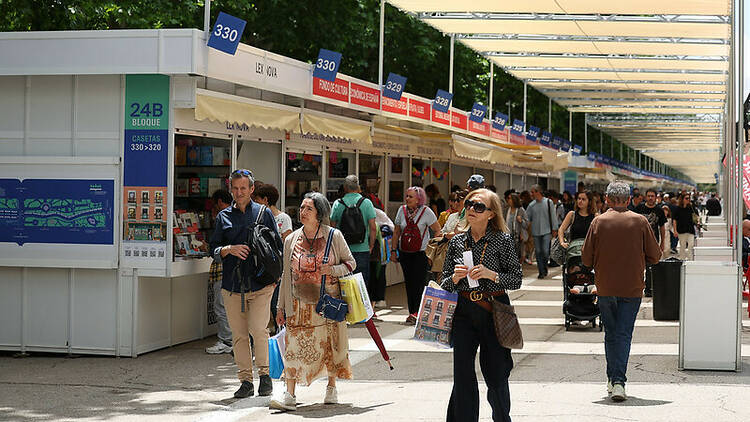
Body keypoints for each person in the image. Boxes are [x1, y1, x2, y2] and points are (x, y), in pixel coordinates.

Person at [441, 188, 523, 422]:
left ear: (490, 214)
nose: (471, 210)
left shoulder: (502, 240)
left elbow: (516, 279)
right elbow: (444, 283)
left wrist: (491, 274)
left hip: (494, 311)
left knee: (496, 373)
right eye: (469, 204)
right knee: (463, 375)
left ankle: (501, 417)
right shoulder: (457, 241)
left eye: (478, 207)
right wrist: (455, 278)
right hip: (464, 313)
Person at [271, 192, 355, 411]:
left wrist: (332, 269)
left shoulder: (333, 236)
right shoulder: (291, 239)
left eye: (308, 208)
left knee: (329, 347)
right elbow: (286, 275)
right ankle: (289, 395)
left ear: (320, 213)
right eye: (301, 207)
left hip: (326, 304)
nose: (303, 212)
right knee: (293, 349)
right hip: (298, 305)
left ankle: (331, 387)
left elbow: (350, 264)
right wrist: (280, 306)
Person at [581, 180, 661, 402]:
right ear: (628, 200)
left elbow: (586, 259)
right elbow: (655, 256)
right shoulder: (641, 221)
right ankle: (618, 381)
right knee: (624, 334)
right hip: (632, 287)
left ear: (607, 199)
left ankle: (612, 377)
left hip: (605, 287)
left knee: (611, 333)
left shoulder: (597, 222)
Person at [209, 169, 282, 398]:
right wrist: (228, 250)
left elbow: (277, 246)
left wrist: (275, 278)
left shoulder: (264, 213)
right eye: (235, 188)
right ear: (231, 189)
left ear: (252, 189)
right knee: (239, 336)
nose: (239, 193)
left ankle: (265, 376)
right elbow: (214, 249)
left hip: (261, 285)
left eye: (243, 188)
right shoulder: (223, 217)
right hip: (232, 286)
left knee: (258, 330)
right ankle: (245, 381)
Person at [392, 186, 441, 325]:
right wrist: (393, 250)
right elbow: (396, 232)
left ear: (419, 199)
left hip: (421, 253)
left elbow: (437, 230)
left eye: (410, 197)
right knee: (409, 283)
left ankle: (417, 313)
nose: (407, 199)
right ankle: (412, 312)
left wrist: (433, 250)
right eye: (407, 196)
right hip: (405, 252)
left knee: (419, 283)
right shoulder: (401, 211)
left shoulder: (427, 212)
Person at [330, 175, 377, 292]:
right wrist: (371, 245)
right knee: (361, 285)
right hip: (362, 249)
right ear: (358, 187)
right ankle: (361, 309)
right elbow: (373, 228)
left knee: (344, 283)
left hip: (343, 250)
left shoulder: (338, 203)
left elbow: (332, 227)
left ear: (345, 188)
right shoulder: (366, 203)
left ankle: (346, 309)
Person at [205, 189, 234, 355]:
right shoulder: (235, 216)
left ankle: (226, 340)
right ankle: (230, 339)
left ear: (220, 202)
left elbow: (216, 247)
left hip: (221, 269)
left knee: (221, 306)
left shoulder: (223, 218)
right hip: (230, 270)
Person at [557, 191, 597, 294]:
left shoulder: (595, 216)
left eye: (583, 199)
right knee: (575, 265)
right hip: (574, 250)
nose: (580, 201)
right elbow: (561, 229)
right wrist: (562, 242)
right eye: (579, 198)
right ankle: (578, 286)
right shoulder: (572, 215)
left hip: (590, 250)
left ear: (589, 202)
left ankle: (589, 285)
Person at [634, 188, 667, 296]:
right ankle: (637, 287)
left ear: (656, 197)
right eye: (648, 196)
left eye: (652, 196)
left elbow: (662, 227)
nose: (650, 198)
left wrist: (662, 243)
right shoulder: (639, 208)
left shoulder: (659, 210)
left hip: (653, 242)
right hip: (638, 242)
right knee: (638, 266)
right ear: (645, 197)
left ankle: (648, 289)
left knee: (650, 267)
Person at [526, 184, 559, 278]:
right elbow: (527, 218)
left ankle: (544, 267)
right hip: (536, 232)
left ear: (538, 192)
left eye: (532, 192)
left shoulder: (548, 202)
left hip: (547, 231)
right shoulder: (531, 205)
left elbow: (553, 216)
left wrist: (554, 228)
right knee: (538, 252)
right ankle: (541, 271)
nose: (531, 194)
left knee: (545, 251)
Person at [672, 193, 698, 260]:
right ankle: (682, 259)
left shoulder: (691, 208)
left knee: (691, 245)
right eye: (686, 198)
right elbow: (674, 220)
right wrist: (675, 230)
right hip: (681, 230)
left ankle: (690, 259)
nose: (688, 200)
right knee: (682, 246)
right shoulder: (677, 209)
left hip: (690, 230)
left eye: (689, 198)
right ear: (682, 199)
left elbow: (696, 216)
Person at [505, 192, 529, 263]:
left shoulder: (520, 210)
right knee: (508, 254)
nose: (508, 200)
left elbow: (526, 224)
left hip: (517, 235)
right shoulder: (506, 210)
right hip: (507, 234)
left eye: (510, 198)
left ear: (514, 200)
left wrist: (521, 221)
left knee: (516, 253)